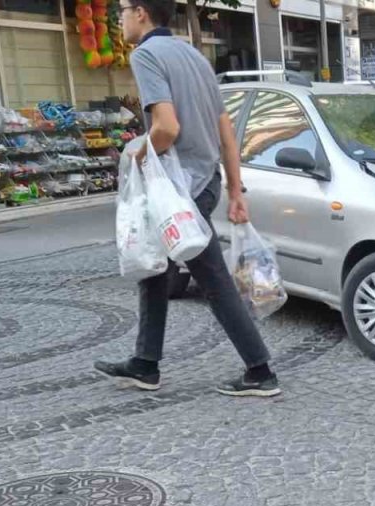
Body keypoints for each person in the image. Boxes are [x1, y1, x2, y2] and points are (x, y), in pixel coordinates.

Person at [94, 0, 280, 398]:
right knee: (153, 267)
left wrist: (138, 154)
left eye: (123, 9)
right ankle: (145, 363)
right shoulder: (194, 57)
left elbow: (166, 127)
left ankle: (260, 370)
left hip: (179, 189)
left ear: (141, 12)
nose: (120, 17)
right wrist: (233, 189)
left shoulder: (146, 55)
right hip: (206, 181)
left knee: (211, 275)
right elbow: (225, 130)